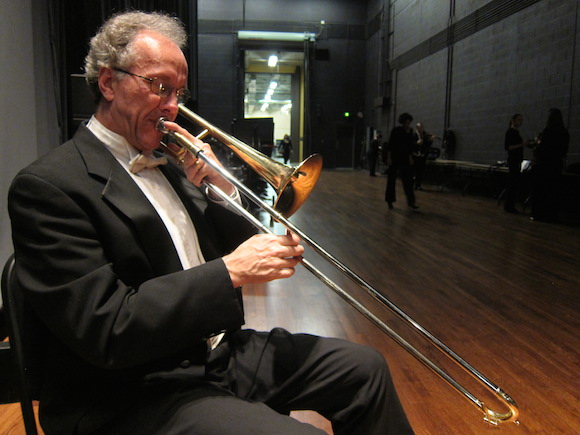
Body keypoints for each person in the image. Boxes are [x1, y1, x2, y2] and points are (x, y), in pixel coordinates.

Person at [7, 11, 413, 435]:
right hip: (130, 390)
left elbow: (235, 245)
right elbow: (107, 327)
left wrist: (225, 188)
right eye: (160, 87)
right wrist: (230, 271)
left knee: (365, 369)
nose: (173, 107)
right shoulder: (49, 186)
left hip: (214, 353)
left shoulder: (170, 165)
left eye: (179, 92)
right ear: (108, 83)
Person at [530, 108, 570, 222]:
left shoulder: (548, 131)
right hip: (556, 166)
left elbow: (542, 149)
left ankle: (539, 214)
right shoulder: (564, 132)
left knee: (542, 190)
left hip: (544, 166)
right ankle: (551, 215)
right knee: (553, 191)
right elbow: (564, 151)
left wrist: (538, 144)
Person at [385, 113, 419, 209]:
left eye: (409, 122)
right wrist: (389, 158)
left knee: (408, 180)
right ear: (403, 122)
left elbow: (409, 146)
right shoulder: (396, 130)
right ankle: (390, 200)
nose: (407, 124)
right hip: (395, 157)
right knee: (391, 179)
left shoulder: (410, 131)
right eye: (406, 122)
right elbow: (390, 145)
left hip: (405, 158)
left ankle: (411, 201)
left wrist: (410, 157)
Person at [503, 114, 526, 213]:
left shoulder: (516, 132)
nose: (520, 122)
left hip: (517, 160)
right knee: (512, 183)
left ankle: (510, 205)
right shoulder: (510, 132)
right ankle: (509, 206)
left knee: (514, 183)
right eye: (518, 120)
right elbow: (508, 147)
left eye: (521, 120)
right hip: (513, 160)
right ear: (513, 120)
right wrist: (521, 144)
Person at [412, 123, 438, 190]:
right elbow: (410, 144)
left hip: (422, 156)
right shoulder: (413, 135)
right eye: (420, 128)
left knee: (420, 171)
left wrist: (431, 140)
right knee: (414, 170)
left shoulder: (424, 135)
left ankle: (418, 185)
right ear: (417, 128)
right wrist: (416, 143)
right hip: (415, 156)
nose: (422, 129)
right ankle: (413, 184)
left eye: (422, 128)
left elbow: (427, 145)